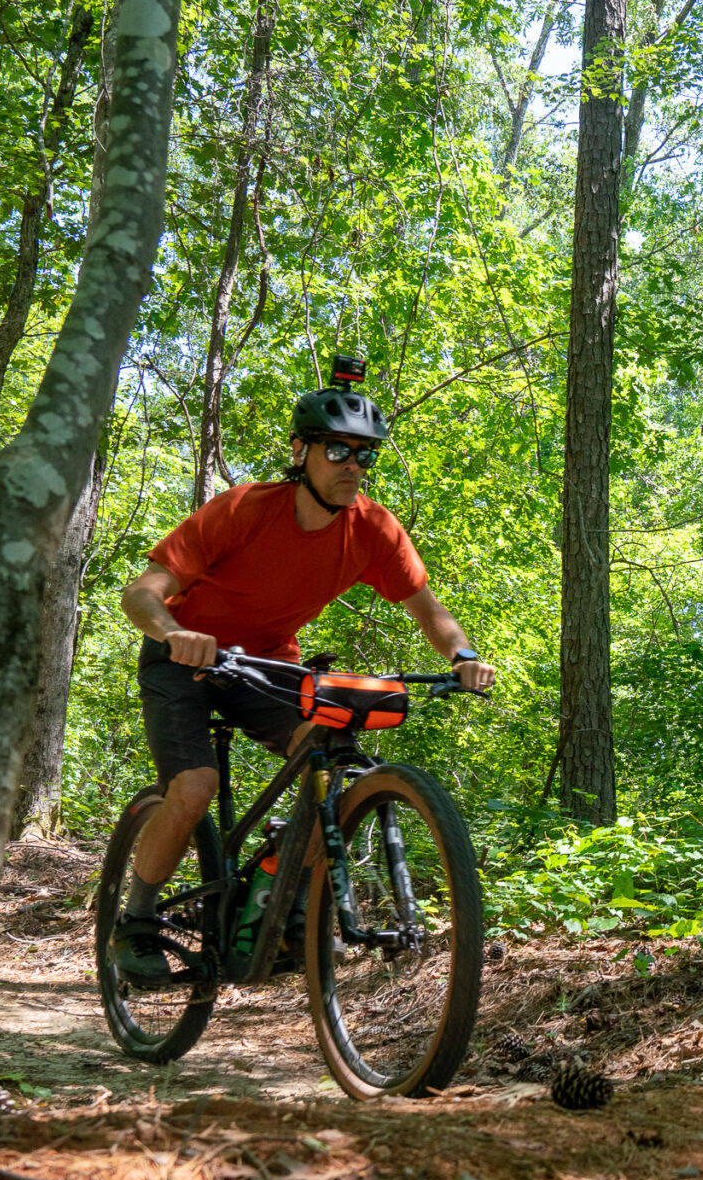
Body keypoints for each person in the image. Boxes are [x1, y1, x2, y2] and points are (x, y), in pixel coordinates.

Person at [110, 357, 496, 981]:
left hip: (264, 664)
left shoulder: (373, 529)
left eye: (364, 455)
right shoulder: (243, 509)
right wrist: (175, 632)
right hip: (182, 657)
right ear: (301, 451)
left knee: (331, 766)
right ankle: (137, 921)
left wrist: (465, 657)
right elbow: (142, 593)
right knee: (193, 788)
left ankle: (280, 900)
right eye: (338, 450)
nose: (352, 466)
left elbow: (429, 610)